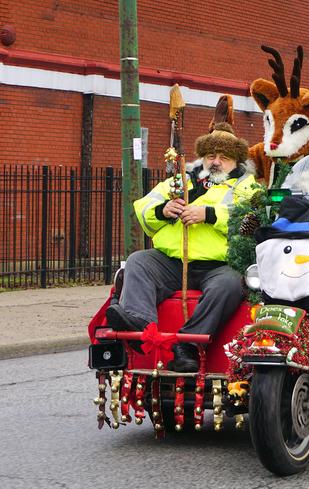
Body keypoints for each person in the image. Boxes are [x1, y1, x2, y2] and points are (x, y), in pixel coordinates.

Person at [106, 122, 257, 372]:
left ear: (236, 161)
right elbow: (142, 207)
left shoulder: (248, 187)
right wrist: (162, 210)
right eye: (211, 156)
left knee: (231, 284)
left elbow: (250, 219)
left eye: (224, 157)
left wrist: (208, 214)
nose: (216, 162)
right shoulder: (178, 181)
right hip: (173, 262)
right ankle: (140, 326)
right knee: (139, 261)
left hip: (219, 265)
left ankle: (188, 345)